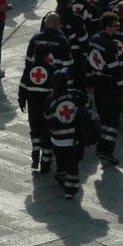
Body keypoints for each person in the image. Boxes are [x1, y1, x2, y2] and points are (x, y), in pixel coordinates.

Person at [87, 9, 123, 167]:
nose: (117, 28)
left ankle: (101, 146)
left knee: (103, 116)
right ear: (107, 27)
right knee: (113, 119)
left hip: (98, 82)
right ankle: (107, 150)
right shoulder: (109, 45)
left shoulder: (93, 39)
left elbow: (88, 62)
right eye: (115, 25)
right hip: (110, 85)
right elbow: (115, 70)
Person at [44, 70, 92, 200]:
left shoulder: (50, 100)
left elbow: (47, 119)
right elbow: (87, 110)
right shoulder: (76, 95)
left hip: (57, 140)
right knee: (72, 165)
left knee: (61, 160)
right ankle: (70, 190)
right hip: (72, 140)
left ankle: (60, 175)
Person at [18, 42, 55, 174]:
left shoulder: (29, 69)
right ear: (47, 55)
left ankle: (35, 153)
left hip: (32, 107)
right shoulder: (51, 69)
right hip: (46, 108)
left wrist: (21, 100)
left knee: (34, 130)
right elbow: (54, 91)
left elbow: (22, 86)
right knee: (46, 134)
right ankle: (45, 163)